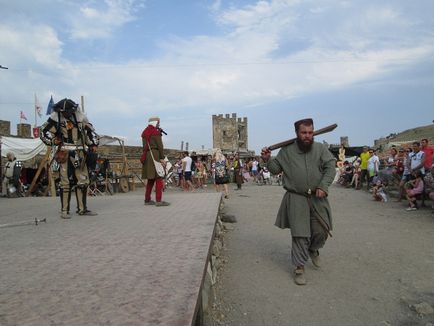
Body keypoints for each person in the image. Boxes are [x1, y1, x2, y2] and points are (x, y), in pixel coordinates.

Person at [261, 118, 336, 286]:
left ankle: (313, 249)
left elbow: (330, 166)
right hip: (296, 198)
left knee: (322, 230)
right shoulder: (286, 151)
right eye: (304, 133)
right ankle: (299, 267)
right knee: (300, 234)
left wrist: (324, 185)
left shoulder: (320, 149)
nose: (307, 136)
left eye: (310, 132)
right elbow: (275, 169)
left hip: (318, 197)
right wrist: (267, 159)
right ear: (297, 133)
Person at [40, 98, 98, 218]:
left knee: (83, 181)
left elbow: (90, 132)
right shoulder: (56, 119)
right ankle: (64, 211)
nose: (66, 113)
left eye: (68, 111)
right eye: (64, 111)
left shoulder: (81, 119)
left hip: (80, 154)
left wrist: (92, 144)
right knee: (65, 183)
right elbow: (43, 131)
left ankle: (82, 209)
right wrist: (53, 141)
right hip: (65, 153)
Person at [141, 116, 169, 206]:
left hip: (147, 156)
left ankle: (147, 199)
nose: (159, 124)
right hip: (155, 155)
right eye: (158, 123)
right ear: (155, 123)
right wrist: (162, 158)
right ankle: (158, 200)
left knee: (150, 179)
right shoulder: (155, 132)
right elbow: (160, 146)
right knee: (158, 177)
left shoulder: (144, 132)